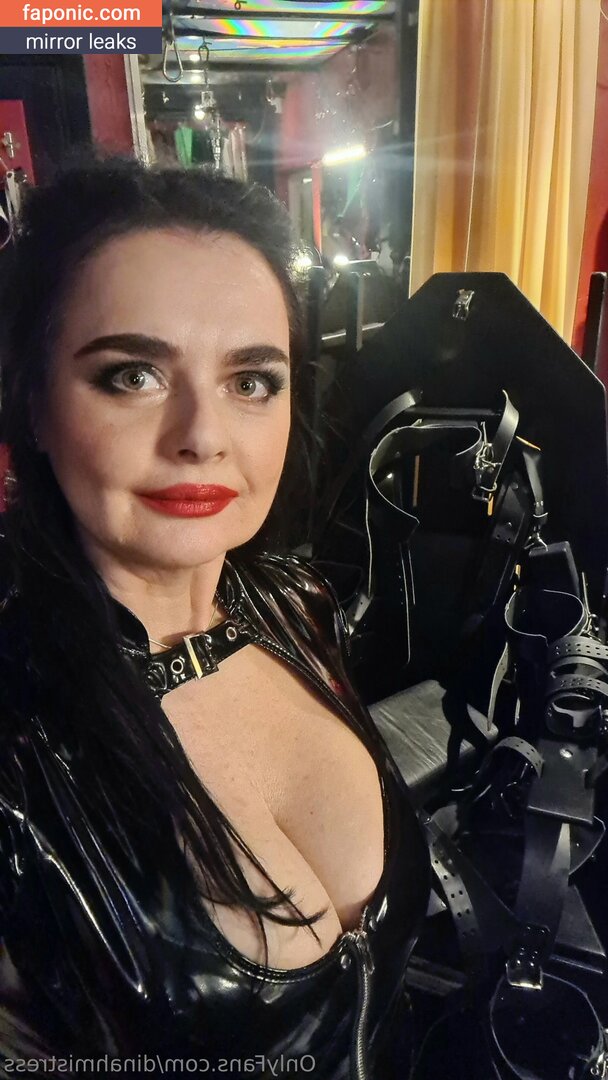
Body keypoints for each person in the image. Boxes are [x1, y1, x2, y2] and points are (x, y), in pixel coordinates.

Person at [0, 155, 430, 1077]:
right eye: (132, 375)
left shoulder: (290, 603)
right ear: (33, 404)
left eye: (252, 381)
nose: (203, 435)